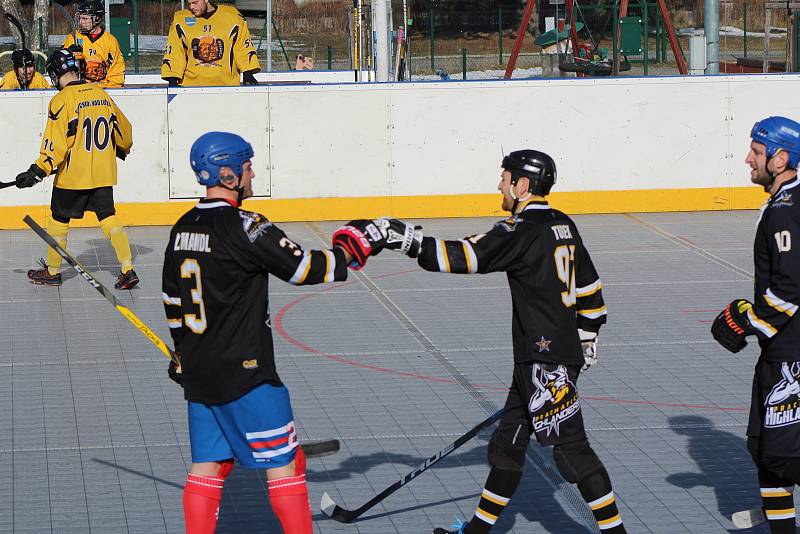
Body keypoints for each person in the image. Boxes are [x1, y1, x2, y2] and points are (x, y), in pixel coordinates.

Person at [334, 150, 626, 534]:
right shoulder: (564, 225)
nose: (500, 185)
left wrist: (403, 239)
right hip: (543, 358)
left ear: (522, 185)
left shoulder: (520, 230)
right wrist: (587, 340)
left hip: (543, 361)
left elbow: (464, 256)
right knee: (507, 448)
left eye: (504, 178)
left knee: (572, 454)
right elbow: (591, 291)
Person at [162, 132, 358, 534]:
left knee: (208, 466)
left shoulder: (183, 226)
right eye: (249, 167)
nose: (254, 174)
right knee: (284, 466)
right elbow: (305, 268)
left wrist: (182, 353)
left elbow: (171, 299)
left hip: (201, 373)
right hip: (248, 374)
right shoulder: (246, 225)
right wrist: (353, 249)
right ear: (229, 174)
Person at [711, 116, 800, 534]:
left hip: (791, 354)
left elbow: (791, 286)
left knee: (782, 456)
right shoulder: (784, 204)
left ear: (781, 159)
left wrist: (746, 321)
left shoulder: (785, 211)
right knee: (765, 450)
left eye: (758, 152)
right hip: (779, 351)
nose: (749, 159)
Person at [16, 48, 137, 290]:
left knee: (59, 219)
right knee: (108, 217)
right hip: (103, 172)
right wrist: (122, 147)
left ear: (55, 73)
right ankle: (127, 269)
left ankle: (52, 272)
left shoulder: (61, 100)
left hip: (73, 176)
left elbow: (55, 145)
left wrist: (37, 171)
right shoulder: (101, 93)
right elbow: (125, 130)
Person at [161, 0, 260, 87]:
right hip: (191, 87)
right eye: (189, 3)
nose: (192, 7)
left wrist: (248, 73)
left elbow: (243, 47)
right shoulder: (181, 20)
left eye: (195, 3)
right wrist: (172, 78)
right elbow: (175, 51)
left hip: (227, 86)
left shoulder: (232, 17)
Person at [62, 0, 125, 88]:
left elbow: (117, 72)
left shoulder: (110, 41)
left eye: (85, 19)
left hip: (102, 90)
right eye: (80, 18)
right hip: (78, 89)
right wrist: (69, 54)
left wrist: (106, 87)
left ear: (97, 18)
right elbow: (60, 64)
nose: (81, 22)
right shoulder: (73, 37)